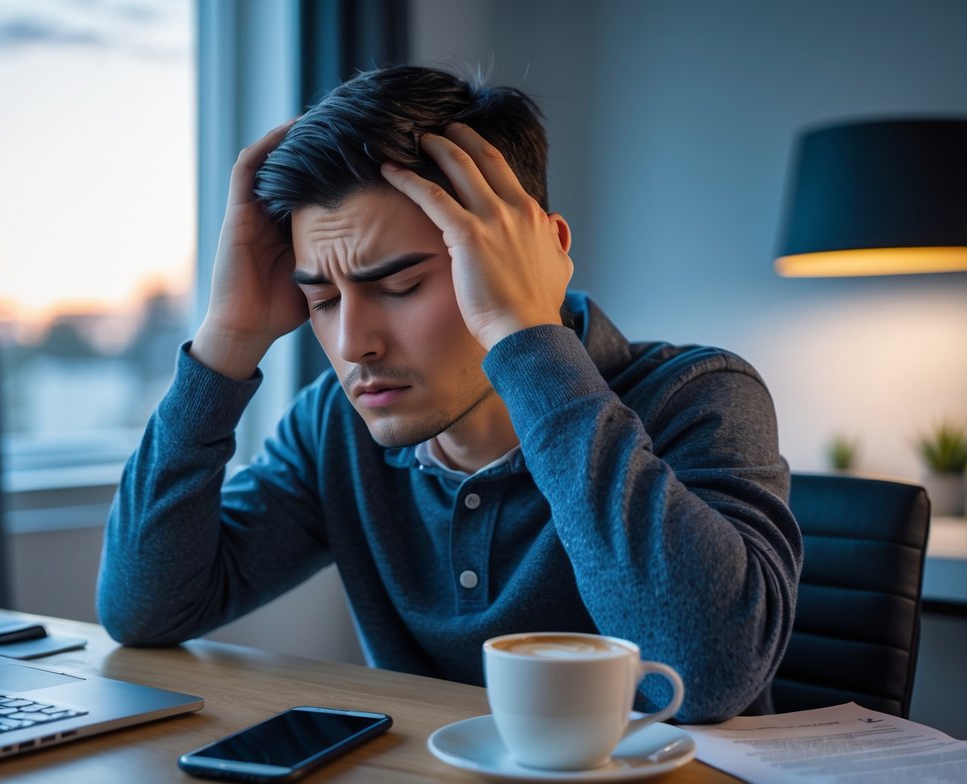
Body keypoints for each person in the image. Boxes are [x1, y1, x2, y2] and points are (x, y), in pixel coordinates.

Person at [97, 65, 802, 723]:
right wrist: (225, 339)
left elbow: (701, 676)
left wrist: (526, 335)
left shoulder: (698, 396)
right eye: (320, 299)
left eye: (400, 287)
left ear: (536, 254)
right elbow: (145, 610)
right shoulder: (335, 427)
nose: (352, 345)